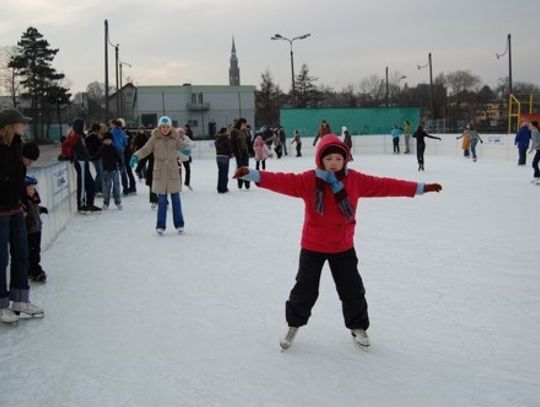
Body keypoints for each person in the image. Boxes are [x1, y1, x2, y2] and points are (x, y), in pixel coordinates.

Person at [233, 134, 442, 350]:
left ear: (345, 160)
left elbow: (386, 185)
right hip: (313, 246)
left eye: (338, 159)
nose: (333, 163)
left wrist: (420, 187)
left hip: (343, 246)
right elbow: (282, 180)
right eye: (329, 158)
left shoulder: (355, 180)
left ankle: (358, 327)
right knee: (305, 289)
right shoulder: (309, 180)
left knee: (352, 289)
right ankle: (294, 324)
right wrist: (252, 174)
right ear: (320, 160)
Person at [0, 108, 44, 323]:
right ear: (10, 125)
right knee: (1, 259)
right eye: (22, 123)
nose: (25, 126)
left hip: (15, 209)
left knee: (22, 253)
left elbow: (18, 178)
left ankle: (20, 299)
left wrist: (23, 201)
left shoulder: (18, 146)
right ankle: (1, 304)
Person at [130, 116, 190, 234]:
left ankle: (179, 224)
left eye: (167, 127)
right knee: (161, 201)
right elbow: (145, 149)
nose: (165, 129)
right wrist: (136, 156)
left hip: (172, 171)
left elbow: (182, 146)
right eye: (163, 127)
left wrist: (186, 149)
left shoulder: (175, 137)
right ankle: (160, 225)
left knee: (176, 200)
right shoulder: (154, 138)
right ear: (159, 127)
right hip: (160, 172)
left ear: (170, 127)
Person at [22, 176, 48, 282]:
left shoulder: (33, 200)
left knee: (35, 251)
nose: (34, 191)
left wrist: (41, 209)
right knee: (31, 251)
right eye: (31, 189)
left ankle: (32, 269)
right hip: (29, 231)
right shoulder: (24, 203)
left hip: (36, 230)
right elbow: (25, 215)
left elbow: (35, 210)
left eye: (34, 188)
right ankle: (35, 270)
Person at [72, 118, 100, 212]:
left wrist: (88, 156)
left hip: (85, 161)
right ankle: (81, 204)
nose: (84, 126)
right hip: (80, 162)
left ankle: (90, 203)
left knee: (90, 184)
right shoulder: (76, 136)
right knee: (82, 183)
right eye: (83, 125)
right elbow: (68, 146)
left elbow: (84, 149)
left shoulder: (81, 136)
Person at [95, 133, 123, 210]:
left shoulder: (114, 149)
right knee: (106, 188)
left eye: (109, 140)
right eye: (106, 140)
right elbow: (97, 156)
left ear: (111, 141)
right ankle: (106, 202)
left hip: (114, 169)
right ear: (103, 141)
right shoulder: (101, 149)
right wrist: (89, 158)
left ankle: (118, 202)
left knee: (116, 187)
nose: (107, 141)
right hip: (105, 171)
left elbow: (119, 158)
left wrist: (121, 166)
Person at [230, 118, 251, 190]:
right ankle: (240, 184)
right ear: (241, 123)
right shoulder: (234, 131)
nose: (245, 125)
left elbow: (248, 141)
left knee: (246, 167)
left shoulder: (245, 131)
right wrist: (236, 153)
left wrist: (247, 132)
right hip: (239, 152)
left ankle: (247, 184)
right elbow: (234, 143)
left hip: (245, 151)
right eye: (244, 124)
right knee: (240, 168)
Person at [86, 123, 103, 194]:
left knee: (100, 172)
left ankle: (99, 188)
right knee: (100, 172)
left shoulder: (90, 136)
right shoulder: (94, 136)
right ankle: (95, 188)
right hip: (95, 157)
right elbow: (96, 147)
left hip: (94, 156)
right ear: (97, 129)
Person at [215, 127, 233, 193]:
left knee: (220, 173)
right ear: (225, 132)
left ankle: (219, 188)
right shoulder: (226, 139)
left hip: (218, 156)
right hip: (225, 156)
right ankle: (224, 188)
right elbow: (230, 148)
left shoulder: (217, 139)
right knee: (224, 173)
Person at [528, 121, 540, 185]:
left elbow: (537, 141)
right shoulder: (534, 131)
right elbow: (533, 142)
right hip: (538, 149)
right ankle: (537, 177)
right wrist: (531, 149)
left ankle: (537, 177)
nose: (529, 126)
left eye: (530, 125)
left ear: (533, 126)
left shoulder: (535, 131)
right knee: (534, 163)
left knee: (534, 163)